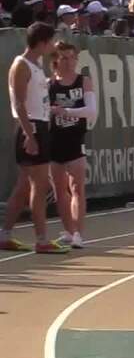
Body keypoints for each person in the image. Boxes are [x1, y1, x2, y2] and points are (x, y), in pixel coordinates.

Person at [0, 23, 68, 253]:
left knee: (23, 187)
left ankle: (5, 235)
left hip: (39, 125)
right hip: (30, 128)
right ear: (41, 42)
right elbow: (19, 103)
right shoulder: (22, 65)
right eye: (51, 41)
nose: (53, 45)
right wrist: (30, 135)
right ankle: (41, 240)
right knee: (39, 187)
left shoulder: (37, 65)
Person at [48, 41, 97, 249]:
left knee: (77, 186)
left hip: (75, 139)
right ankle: (68, 231)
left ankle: (78, 233)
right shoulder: (49, 84)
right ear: (56, 60)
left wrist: (67, 112)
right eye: (64, 58)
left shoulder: (83, 81)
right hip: (54, 141)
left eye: (72, 57)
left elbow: (91, 111)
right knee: (59, 189)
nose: (69, 62)